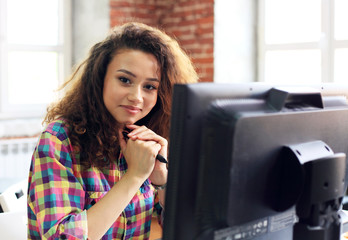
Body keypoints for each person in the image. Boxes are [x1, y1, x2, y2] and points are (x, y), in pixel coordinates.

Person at [27, 22, 198, 240]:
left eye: (149, 86)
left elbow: (187, 231)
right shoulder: (60, 139)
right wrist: (134, 176)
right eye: (125, 80)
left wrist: (161, 179)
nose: (137, 97)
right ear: (100, 80)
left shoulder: (146, 141)